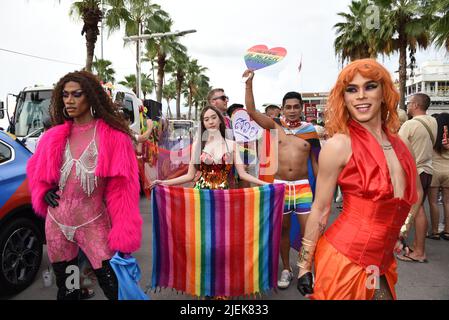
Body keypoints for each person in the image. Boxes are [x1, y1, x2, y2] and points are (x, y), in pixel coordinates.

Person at [296, 59, 422, 300]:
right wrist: (304, 265)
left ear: (384, 92)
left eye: (370, 86)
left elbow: (413, 195)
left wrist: (399, 232)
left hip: (382, 263)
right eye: (351, 90)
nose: (360, 96)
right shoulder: (338, 146)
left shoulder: (402, 144)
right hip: (344, 261)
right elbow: (320, 209)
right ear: (343, 98)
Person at [26, 71, 143, 300]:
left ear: (90, 97)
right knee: (68, 288)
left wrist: (123, 234)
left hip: (93, 223)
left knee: (114, 287)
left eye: (76, 95)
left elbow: (123, 191)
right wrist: (44, 191)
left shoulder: (114, 137)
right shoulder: (52, 137)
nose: (69, 100)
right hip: (57, 225)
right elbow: (36, 173)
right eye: (65, 95)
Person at [243, 69, 320, 289]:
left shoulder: (310, 131)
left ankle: (305, 270)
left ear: (302, 108)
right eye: (288, 107)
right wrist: (249, 83)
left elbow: (317, 163)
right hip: (280, 187)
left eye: (297, 106)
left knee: (309, 232)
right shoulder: (275, 126)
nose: (293, 110)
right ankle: (286, 269)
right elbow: (250, 111)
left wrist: (323, 192)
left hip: (303, 187)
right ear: (283, 108)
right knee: (283, 230)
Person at [151, 105, 268, 190]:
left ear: (220, 120)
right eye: (206, 120)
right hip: (201, 195)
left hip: (223, 195)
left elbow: (243, 174)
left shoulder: (232, 145)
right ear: (203, 124)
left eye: (213, 118)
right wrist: (164, 182)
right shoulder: (199, 144)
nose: (211, 122)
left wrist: (265, 184)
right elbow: (190, 176)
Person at [397, 93, 437, 263]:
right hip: (428, 169)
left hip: (415, 171)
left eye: (410, 103)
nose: (408, 105)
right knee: (420, 208)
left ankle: (419, 251)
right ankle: (417, 246)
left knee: (418, 210)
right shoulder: (433, 122)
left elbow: (399, 148)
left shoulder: (410, 124)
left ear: (415, 105)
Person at [428, 113, 449, 241]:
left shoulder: (434, 135)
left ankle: (435, 232)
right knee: (447, 202)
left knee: (433, 202)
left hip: (434, 170)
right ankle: (447, 231)